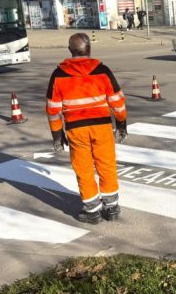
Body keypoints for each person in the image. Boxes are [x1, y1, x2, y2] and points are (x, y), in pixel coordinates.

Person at [46, 33, 128, 224]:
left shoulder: (58, 75)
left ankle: (92, 211)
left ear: (70, 51)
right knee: (106, 164)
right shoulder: (102, 71)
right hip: (101, 127)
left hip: (76, 130)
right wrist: (121, 123)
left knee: (83, 169)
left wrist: (57, 135)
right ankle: (112, 208)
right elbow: (117, 101)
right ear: (89, 49)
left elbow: (53, 110)